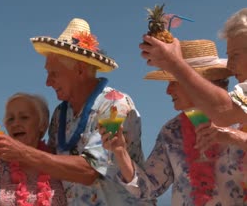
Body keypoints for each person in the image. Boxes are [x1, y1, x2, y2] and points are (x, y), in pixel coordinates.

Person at [0, 18, 151, 205]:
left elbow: (89, 172)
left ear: (80, 70)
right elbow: (49, 164)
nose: (47, 82)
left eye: (53, 73)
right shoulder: (60, 116)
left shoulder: (114, 104)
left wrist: (20, 151)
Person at [102, 39, 245, 205]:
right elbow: (147, 189)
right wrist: (120, 151)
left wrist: (235, 137)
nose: (167, 90)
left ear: (197, 83)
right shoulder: (172, 131)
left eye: (174, 81)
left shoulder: (242, 120)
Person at [140, 8, 247, 197]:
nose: (230, 66)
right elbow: (148, 187)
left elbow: (223, 111)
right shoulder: (172, 131)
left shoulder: (236, 116)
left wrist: (174, 62)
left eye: (235, 55)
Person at [0, 92, 67, 205]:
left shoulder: (59, 164)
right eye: (10, 119)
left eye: (24, 117)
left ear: (42, 124)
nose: (15, 123)